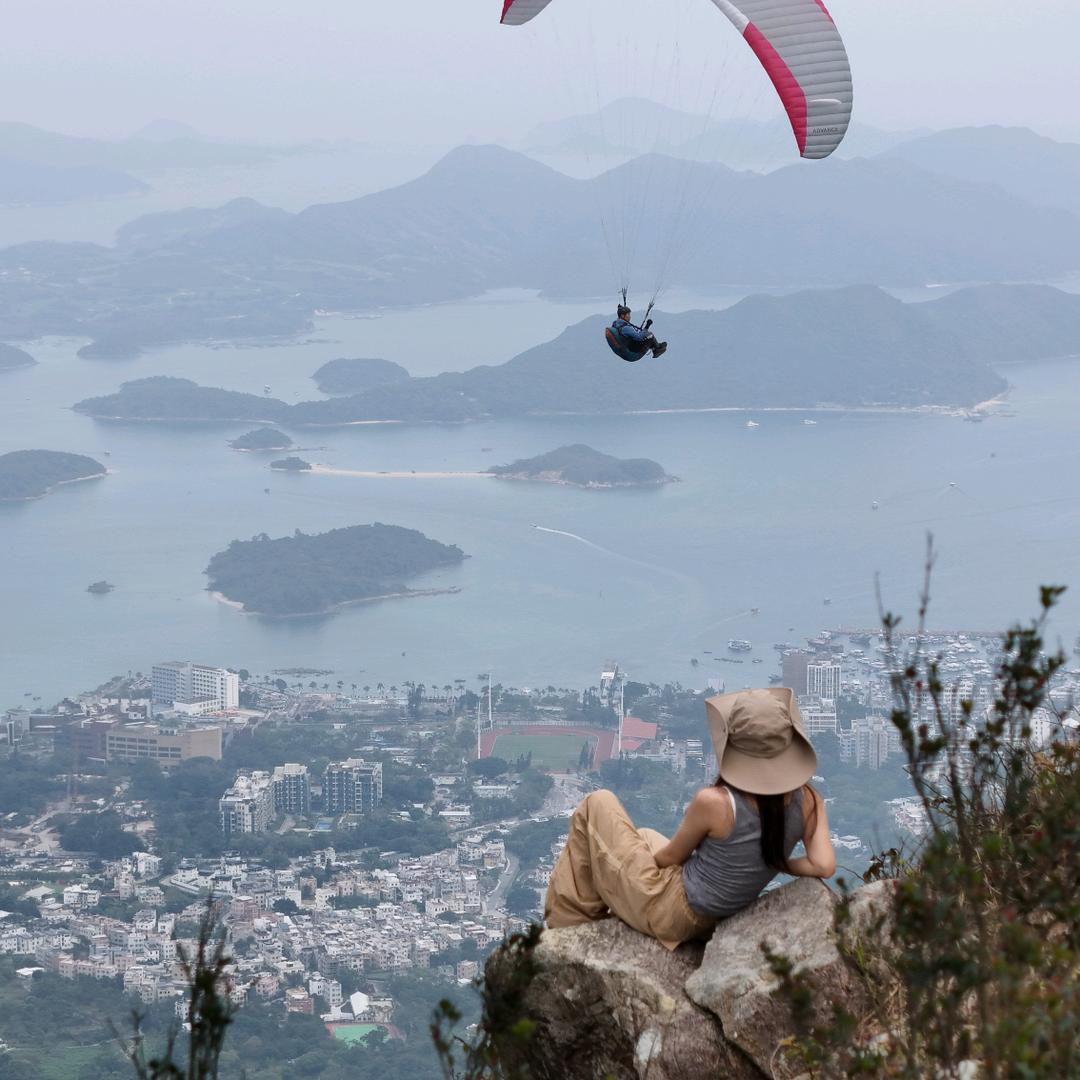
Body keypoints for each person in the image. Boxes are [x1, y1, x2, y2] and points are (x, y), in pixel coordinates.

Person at [544, 688, 836, 950]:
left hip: (674, 913)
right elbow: (823, 864)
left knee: (597, 803)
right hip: (716, 916)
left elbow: (671, 856)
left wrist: (635, 872)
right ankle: (609, 899)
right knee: (643, 835)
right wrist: (775, 862)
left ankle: (568, 931)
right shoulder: (808, 800)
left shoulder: (715, 803)